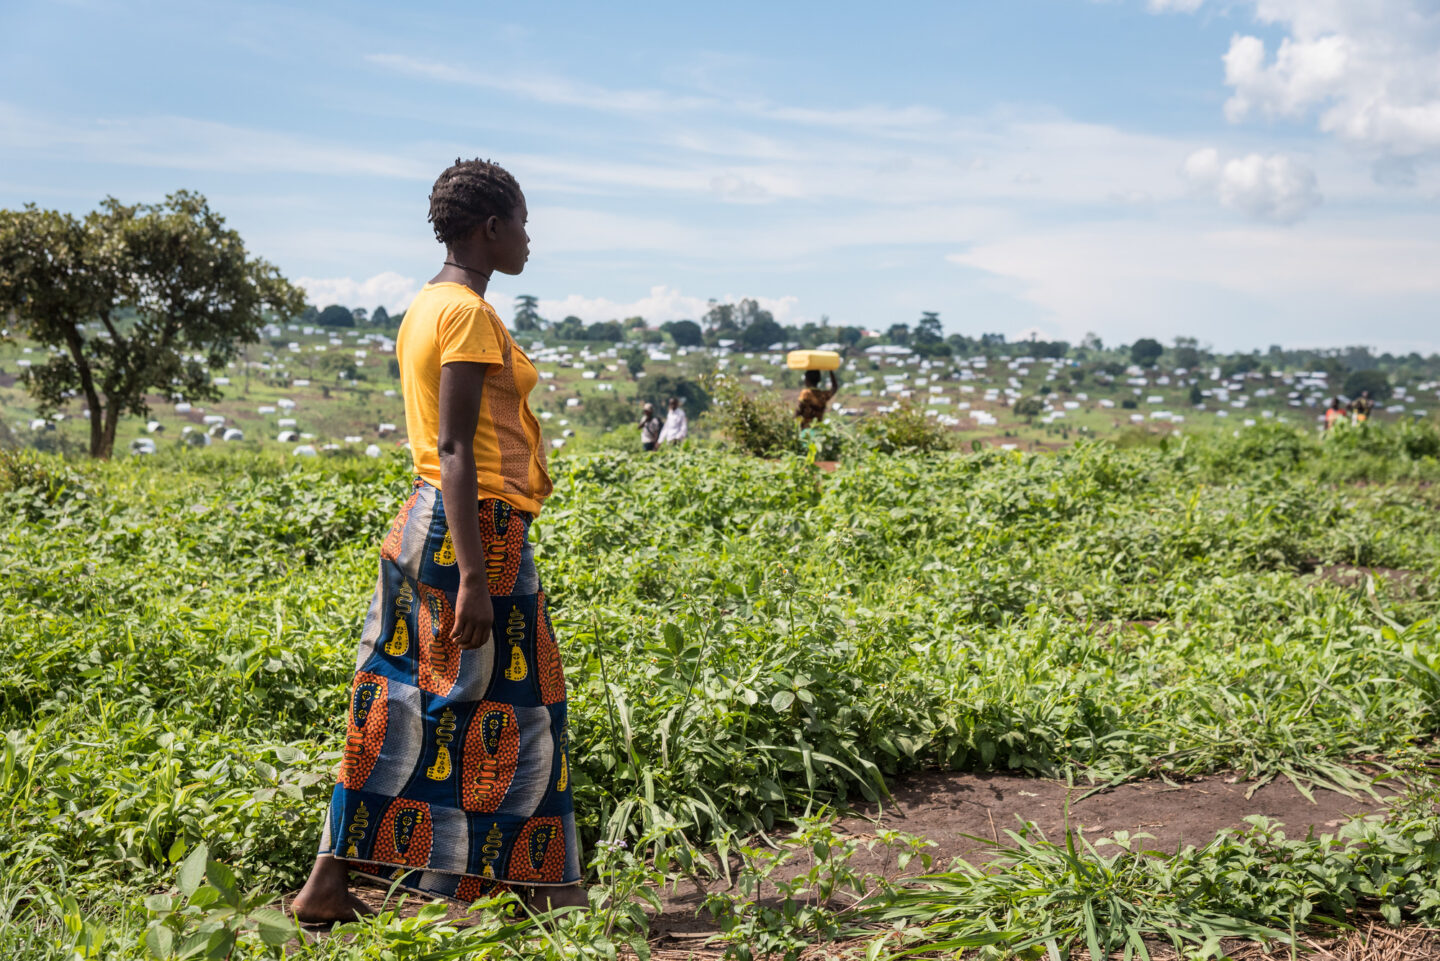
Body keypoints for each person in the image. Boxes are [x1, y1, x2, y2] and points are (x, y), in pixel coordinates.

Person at [291, 158, 585, 924]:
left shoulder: (426, 306)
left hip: (430, 521)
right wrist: (477, 579)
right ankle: (552, 892)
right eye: (522, 220)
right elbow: (457, 449)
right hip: (474, 530)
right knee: (529, 707)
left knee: (398, 701)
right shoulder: (468, 315)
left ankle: (356, 879)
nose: (529, 237)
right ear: (491, 227)